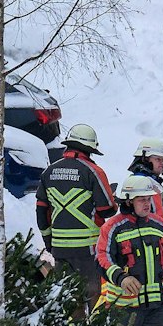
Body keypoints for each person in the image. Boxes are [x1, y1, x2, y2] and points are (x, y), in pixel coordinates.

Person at [95, 174, 163, 326]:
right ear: (128, 201)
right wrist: (122, 278)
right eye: (142, 200)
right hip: (125, 311)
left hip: (156, 308)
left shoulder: (158, 225)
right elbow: (101, 258)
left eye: (149, 199)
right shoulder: (112, 227)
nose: (147, 204)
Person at [35, 123, 116, 313]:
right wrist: (116, 204)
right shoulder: (93, 172)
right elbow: (106, 210)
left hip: (61, 249)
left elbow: (41, 212)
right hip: (89, 249)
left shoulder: (49, 172)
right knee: (94, 294)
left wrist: (49, 241)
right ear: (89, 150)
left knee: (69, 296)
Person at [129, 137, 163, 220]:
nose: (162, 163)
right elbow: (155, 218)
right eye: (158, 159)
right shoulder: (143, 183)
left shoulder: (153, 182)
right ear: (145, 159)